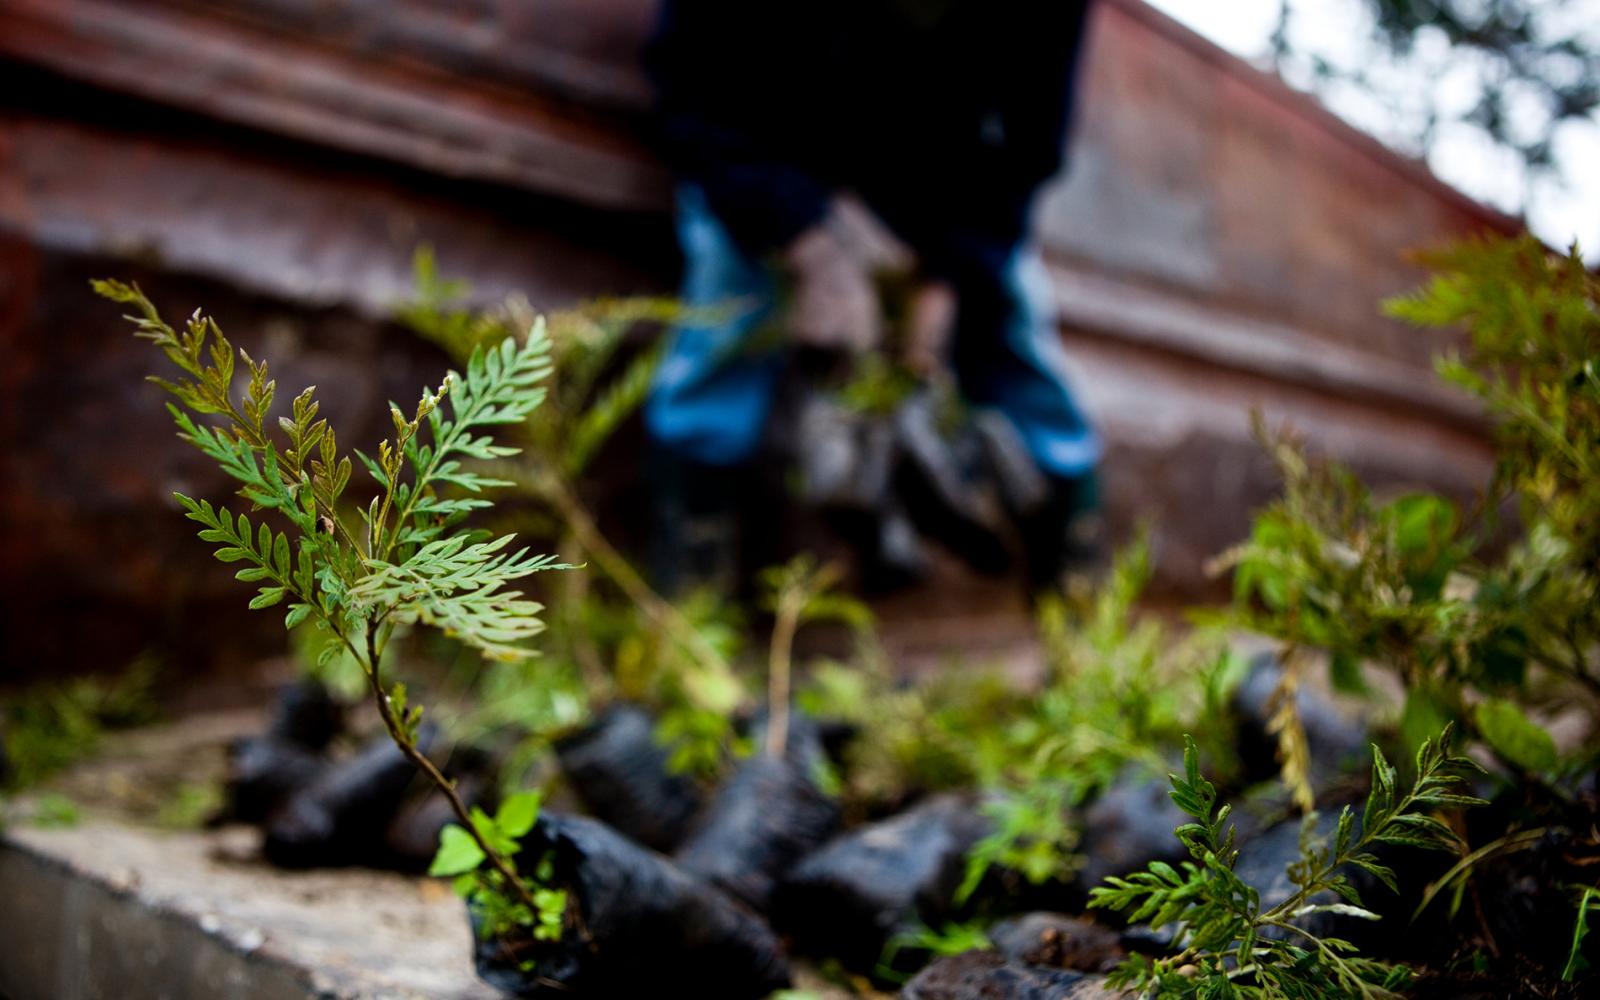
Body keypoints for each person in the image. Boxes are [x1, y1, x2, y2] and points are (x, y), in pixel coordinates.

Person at [643, 0, 1102, 594]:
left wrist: (946, 278)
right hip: (773, 157)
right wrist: (805, 239)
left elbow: (1031, 146)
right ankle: (686, 607)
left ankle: (1078, 588)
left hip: (937, 183)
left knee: (1012, 320)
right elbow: (689, 96)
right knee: (729, 300)